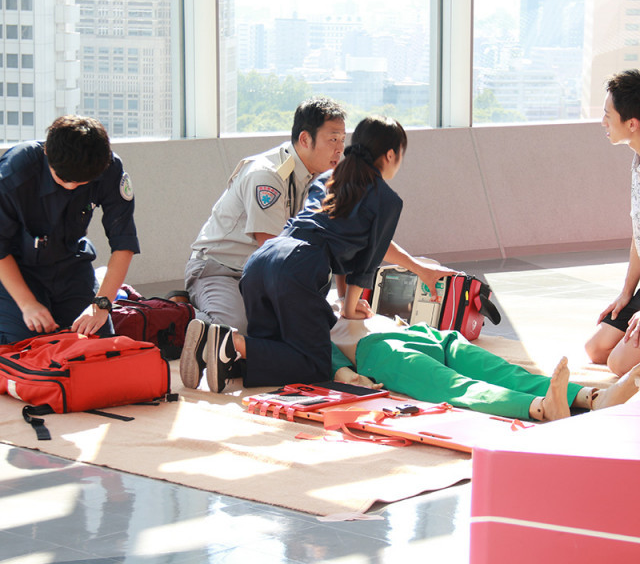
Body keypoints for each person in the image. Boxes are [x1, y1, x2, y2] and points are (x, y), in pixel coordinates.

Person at [181, 115, 455, 393]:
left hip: (262, 262)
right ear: (391, 154)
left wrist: (343, 298)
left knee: (276, 344)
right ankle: (232, 342)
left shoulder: (328, 178)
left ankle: (223, 355)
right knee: (315, 364)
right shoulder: (387, 199)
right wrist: (348, 309)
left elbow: (335, 237)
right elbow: (366, 263)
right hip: (299, 266)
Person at [183, 97, 347, 345]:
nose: (340, 149)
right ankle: (176, 313)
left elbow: (341, 241)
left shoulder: (322, 179)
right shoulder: (267, 175)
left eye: (343, 140)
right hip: (221, 270)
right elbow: (272, 251)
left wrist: (344, 303)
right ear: (305, 139)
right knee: (235, 334)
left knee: (305, 329)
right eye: (332, 139)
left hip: (260, 275)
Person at [329, 315, 640, 422]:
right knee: (455, 385)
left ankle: (594, 398)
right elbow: (313, 347)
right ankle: (541, 407)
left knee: (504, 372)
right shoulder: (301, 305)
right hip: (380, 351)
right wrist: (343, 371)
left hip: (423, 333)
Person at [0, 115, 139, 343]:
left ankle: (101, 283)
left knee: (96, 343)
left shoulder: (109, 167)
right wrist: (27, 304)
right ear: (47, 152)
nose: (71, 186)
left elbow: (123, 242)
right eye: (63, 178)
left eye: (81, 182)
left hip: (71, 264)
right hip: (16, 269)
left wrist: (101, 303)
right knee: (25, 345)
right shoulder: (14, 172)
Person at [585, 69, 640, 376]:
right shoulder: (637, 160)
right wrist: (627, 293)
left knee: (619, 364)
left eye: (608, 115)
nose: (603, 122)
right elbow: (639, 236)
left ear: (632, 123)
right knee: (597, 350)